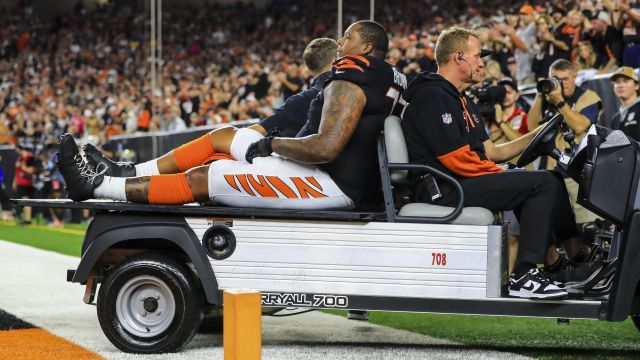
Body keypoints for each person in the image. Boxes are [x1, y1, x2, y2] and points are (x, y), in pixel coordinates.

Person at [58, 21, 407, 213]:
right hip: (323, 170)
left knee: (207, 176)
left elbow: (325, 147)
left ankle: (97, 186)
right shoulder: (381, 77)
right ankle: (126, 172)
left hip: (330, 182)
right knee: (224, 136)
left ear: (365, 49)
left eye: (348, 37)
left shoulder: (352, 79)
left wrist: (273, 144)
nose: (341, 43)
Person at [401, 26, 602, 300]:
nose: (482, 63)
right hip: (444, 189)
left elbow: (491, 151)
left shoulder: (460, 99)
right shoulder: (432, 97)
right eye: (477, 56)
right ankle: (525, 274)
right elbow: (457, 160)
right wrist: (503, 172)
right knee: (540, 183)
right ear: (458, 57)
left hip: (460, 181)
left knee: (551, 178)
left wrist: (538, 134)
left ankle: (573, 262)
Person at [83, 38, 339, 178]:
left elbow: (254, 134)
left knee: (221, 143)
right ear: (335, 60)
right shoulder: (348, 91)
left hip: (306, 174)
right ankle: (130, 175)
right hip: (324, 173)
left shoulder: (306, 98)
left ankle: (131, 174)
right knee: (214, 163)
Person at [527, 59, 604, 257]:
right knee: (563, 228)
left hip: (578, 171)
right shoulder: (547, 98)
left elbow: (580, 126)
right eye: (556, 79)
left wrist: (559, 102)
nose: (561, 84)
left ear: (575, 76)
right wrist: (540, 94)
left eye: (565, 79)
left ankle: (595, 266)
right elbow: (531, 125)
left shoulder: (587, 96)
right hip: (553, 172)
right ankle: (575, 267)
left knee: (587, 226)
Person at [609, 67, 640, 140]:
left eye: (625, 81)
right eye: (617, 82)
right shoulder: (615, 118)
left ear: (637, 86)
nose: (620, 85)